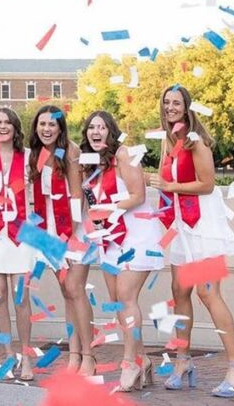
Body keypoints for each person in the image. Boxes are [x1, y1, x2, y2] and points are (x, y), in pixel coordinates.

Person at [151, 85, 234, 398]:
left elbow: (207, 184)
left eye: (176, 103)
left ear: (187, 106)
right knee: (179, 291)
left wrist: (171, 185)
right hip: (180, 225)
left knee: (209, 294)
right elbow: (162, 179)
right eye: (166, 102)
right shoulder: (168, 139)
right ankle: (183, 362)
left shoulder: (196, 141)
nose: (170, 107)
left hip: (202, 224)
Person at [80, 110, 163, 392]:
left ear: (111, 131)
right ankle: (144, 360)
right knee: (117, 302)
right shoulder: (91, 163)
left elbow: (138, 195)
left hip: (136, 234)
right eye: (91, 127)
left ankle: (129, 364)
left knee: (127, 298)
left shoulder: (124, 154)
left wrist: (110, 209)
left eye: (101, 127)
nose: (96, 132)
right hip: (110, 237)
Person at [27, 105, 95, 378]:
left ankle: (89, 355)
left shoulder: (71, 152)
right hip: (51, 231)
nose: (46, 129)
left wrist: (68, 240)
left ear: (60, 128)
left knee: (76, 290)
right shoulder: (37, 156)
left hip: (75, 230)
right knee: (67, 293)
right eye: (42, 124)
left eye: (52, 125)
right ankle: (74, 354)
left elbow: (77, 198)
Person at [0, 107, 38, 381]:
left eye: (7, 122)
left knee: (20, 297)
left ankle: (26, 356)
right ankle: (6, 353)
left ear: (15, 127)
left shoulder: (28, 158)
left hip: (20, 233)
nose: (2, 126)